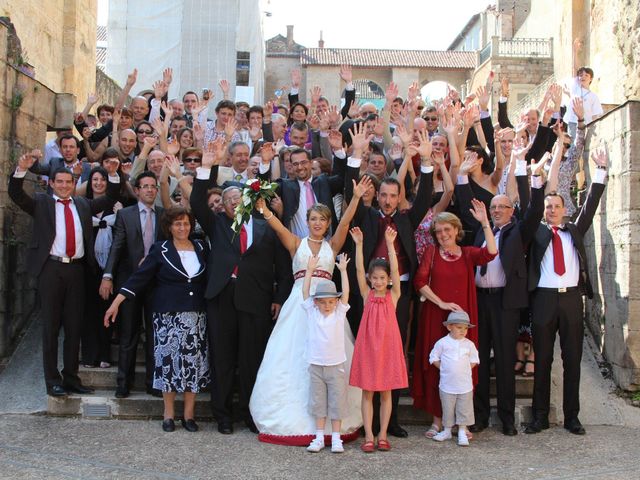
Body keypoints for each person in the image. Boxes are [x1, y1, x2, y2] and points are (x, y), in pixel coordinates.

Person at [249, 176, 372, 446]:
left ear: (327, 223)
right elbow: (276, 224)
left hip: (328, 306)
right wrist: (263, 208)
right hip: (300, 305)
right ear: (308, 221)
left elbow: (346, 222)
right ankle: (296, 420)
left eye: (322, 220)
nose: (318, 224)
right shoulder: (296, 243)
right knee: (293, 357)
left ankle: (335, 425)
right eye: (313, 219)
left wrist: (354, 198)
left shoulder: (332, 245)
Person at [190, 139, 292, 435]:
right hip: (222, 298)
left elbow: (283, 269)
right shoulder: (217, 225)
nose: (233, 201)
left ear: (247, 199)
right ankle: (222, 415)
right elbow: (197, 202)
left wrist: (278, 298)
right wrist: (206, 169)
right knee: (222, 359)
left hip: (256, 302)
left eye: (238, 197)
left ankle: (249, 412)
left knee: (251, 361)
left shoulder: (266, 227)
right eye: (228, 198)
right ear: (222, 205)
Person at [8, 151, 120, 396]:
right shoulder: (42, 202)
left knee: (74, 326)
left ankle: (71, 377)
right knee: (50, 327)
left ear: (74, 184)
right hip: (51, 268)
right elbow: (16, 195)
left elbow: (111, 196)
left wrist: (112, 174)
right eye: (59, 182)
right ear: (52, 184)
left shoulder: (83, 204)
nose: (64, 186)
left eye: (68, 182)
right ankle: (52, 380)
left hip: (76, 270)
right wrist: (21, 170)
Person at [455, 142, 547, 436]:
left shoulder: (519, 231)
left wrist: (529, 175)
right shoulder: (482, 229)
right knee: (479, 360)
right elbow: (466, 203)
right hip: (480, 301)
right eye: (492, 207)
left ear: (510, 211)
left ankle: (507, 417)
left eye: (501, 207)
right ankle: (480, 416)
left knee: (506, 360)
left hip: (506, 303)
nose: (495, 211)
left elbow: (535, 211)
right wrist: (462, 176)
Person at [524, 149, 609, 436]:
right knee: (543, 360)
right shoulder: (536, 231)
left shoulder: (574, 230)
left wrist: (600, 171)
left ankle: (573, 417)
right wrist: (537, 179)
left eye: (556, 206)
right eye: (548, 207)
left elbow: (590, 206)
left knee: (572, 360)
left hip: (571, 299)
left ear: (564, 208)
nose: (552, 210)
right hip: (544, 299)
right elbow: (532, 207)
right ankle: (539, 416)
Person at [104, 207, 210, 432]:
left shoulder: (201, 247)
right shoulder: (160, 249)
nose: (183, 228)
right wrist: (116, 303)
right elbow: (138, 279)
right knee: (169, 366)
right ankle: (169, 414)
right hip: (168, 317)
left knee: (193, 366)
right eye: (178, 224)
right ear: (169, 227)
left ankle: (189, 415)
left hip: (195, 316)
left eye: (186, 224)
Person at [412, 204, 497, 439]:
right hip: (436, 316)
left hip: (461, 319)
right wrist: (440, 303)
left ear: (456, 230)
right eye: (438, 231)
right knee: (436, 366)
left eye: (447, 229)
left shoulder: (468, 253)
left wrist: (484, 223)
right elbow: (420, 282)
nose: (443, 235)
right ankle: (437, 421)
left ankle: (462, 423)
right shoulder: (431, 252)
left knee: (461, 369)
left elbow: (491, 252)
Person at [99, 171, 165, 398]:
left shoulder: (164, 215)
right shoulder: (125, 215)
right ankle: (123, 383)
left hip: (157, 284)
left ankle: (153, 382)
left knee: (155, 335)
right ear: (136, 190)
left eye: (153, 186)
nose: (149, 190)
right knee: (128, 334)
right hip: (130, 282)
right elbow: (116, 247)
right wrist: (107, 275)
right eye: (145, 186)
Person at [349, 226, 408, 453]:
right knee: (367, 393)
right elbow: (358, 268)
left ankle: (382, 433)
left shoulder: (394, 295)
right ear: (370, 279)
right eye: (375, 278)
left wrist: (391, 245)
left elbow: (395, 269)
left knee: (386, 393)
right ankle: (369, 435)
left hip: (388, 348)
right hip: (368, 348)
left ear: (388, 280)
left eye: (383, 278)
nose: (379, 281)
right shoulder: (367, 295)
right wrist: (359, 245)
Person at [302, 254, 351, 454]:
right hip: (316, 364)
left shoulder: (339, 313)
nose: (327, 306)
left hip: (335, 365)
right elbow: (305, 292)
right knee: (318, 401)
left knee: (337, 401)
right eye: (323, 302)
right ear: (316, 303)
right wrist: (309, 271)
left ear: (336, 302)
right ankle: (319, 436)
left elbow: (346, 293)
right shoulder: (312, 312)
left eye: (331, 302)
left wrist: (343, 271)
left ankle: (336, 438)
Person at [429, 311, 479, 446]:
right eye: (459, 327)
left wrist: (464, 369)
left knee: (464, 408)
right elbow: (433, 357)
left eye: (465, 328)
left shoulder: (469, 344)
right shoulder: (443, 343)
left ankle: (462, 431)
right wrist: (444, 368)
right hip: (447, 385)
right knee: (447, 408)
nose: (463, 331)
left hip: (464, 385)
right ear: (449, 327)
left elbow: (474, 359)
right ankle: (447, 430)